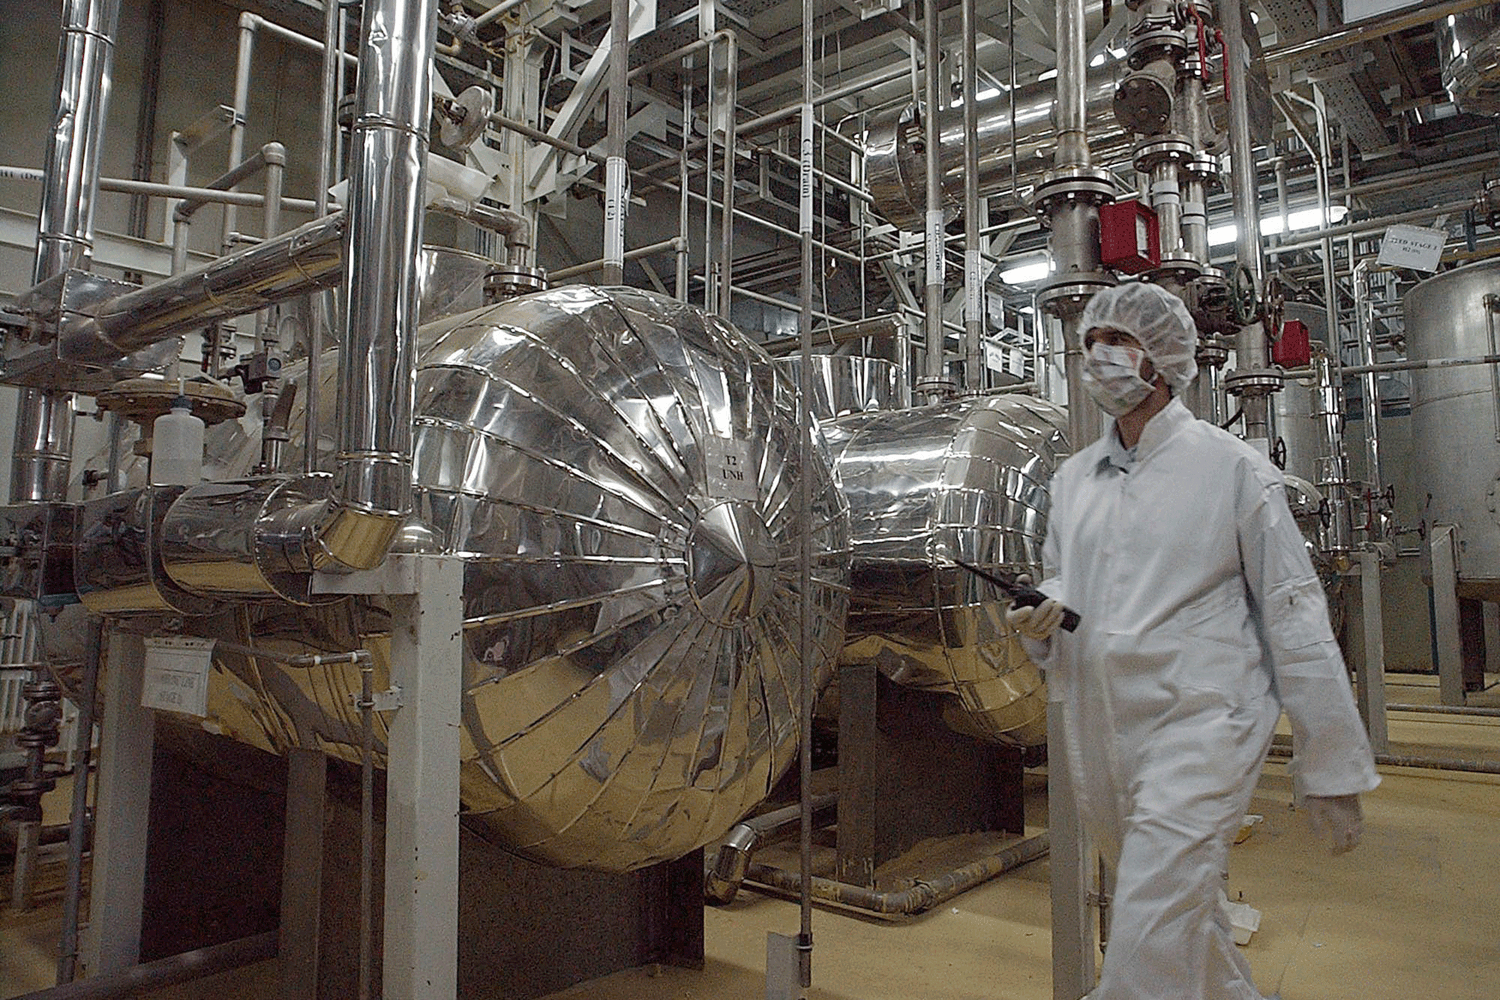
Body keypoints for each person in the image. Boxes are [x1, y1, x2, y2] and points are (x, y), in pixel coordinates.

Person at [1007, 281, 1379, 1000]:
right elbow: (1072, 587)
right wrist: (1045, 616)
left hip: (1203, 721)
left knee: (1149, 921)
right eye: (1092, 343)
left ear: (1164, 358)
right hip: (1105, 727)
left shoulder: (1231, 469)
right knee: (1178, 913)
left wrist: (1330, 760)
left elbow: (1294, 614)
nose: (1101, 357)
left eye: (1120, 341)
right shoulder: (1076, 481)